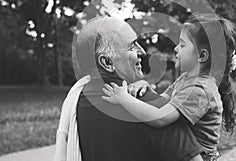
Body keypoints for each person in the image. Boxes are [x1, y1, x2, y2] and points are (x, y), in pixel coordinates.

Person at [53, 16, 205, 161]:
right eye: (132, 46)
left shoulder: (77, 104)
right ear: (107, 62)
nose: (142, 52)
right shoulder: (151, 109)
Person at [102, 14, 236, 161]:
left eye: (182, 44)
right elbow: (163, 102)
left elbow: (159, 118)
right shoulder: (185, 79)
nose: (175, 48)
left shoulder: (199, 90)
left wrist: (124, 99)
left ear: (202, 56)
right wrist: (146, 86)